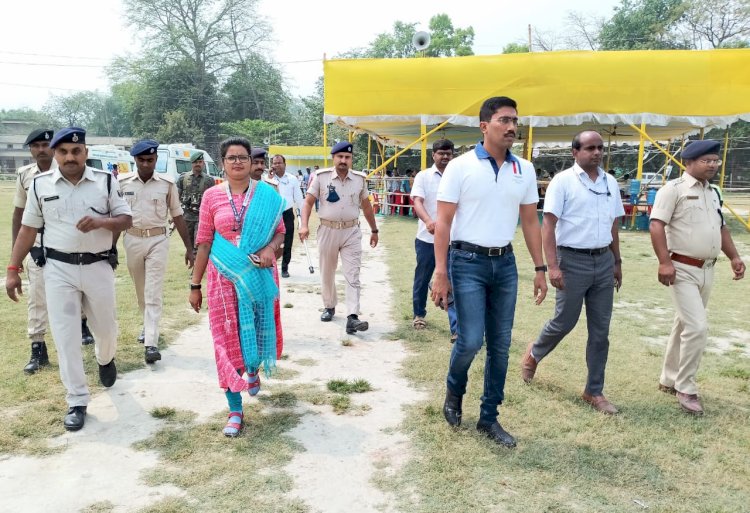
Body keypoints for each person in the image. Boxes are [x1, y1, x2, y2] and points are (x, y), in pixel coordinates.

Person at [431, 96, 547, 448]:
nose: (512, 127)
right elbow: (444, 222)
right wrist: (440, 272)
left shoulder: (523, 170)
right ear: (484, 126)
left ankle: (489, 417)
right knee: (469, 340)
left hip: (506, 264)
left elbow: (530, 222)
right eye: (504, 120)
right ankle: (454, 392)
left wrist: (540, 267)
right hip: (466, 263)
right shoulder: (461, 167)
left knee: (500, 344)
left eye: (515, 121)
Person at [6, 127, 132, 431]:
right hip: (58, 269)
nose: (70, 157)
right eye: (63, 152)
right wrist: (12, 269)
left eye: (76, 151)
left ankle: (106, 358)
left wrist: (102, 221)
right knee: (66, 337)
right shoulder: (39, 185)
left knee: (106, 329)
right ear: (54, 153)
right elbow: (28, 229)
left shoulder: (105, 181)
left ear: (85, 152)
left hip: (98, 266)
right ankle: (77, 399)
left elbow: (127, 219)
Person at [520, 131, 624, 414]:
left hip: (603, 260)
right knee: (564, 321)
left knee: (601, 331)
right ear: (575, 152)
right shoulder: (563, 181)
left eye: (600, 148)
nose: (597, 153)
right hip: (571, 260)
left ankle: (594, 391)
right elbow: (548, 226)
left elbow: (614, 225)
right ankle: (534, 353)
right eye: (590, 148)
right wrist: (552, 266)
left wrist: (617, 261)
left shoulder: (610, 182)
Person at [188, 136, 285, 437]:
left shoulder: (267, 195)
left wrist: (271, 251)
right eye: (231, 158)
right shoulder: (212, 197)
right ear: (223, 163)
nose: (238, 162)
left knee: (254, 330)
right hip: (222, 278)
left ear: (251, 160)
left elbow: (280, 235)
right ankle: (234, 408)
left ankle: (253, 368)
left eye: (243, 156)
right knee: (224, 339)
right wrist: (195, 285)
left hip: (257, 275)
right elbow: (203, 243)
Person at [649, 139, 745, 415]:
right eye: (707, 161)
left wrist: (735, 257)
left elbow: (722, 228)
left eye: (715, 160)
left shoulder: (713, 192)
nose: (713, 165)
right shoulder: (673, 190)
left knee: (684, 324)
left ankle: (668, 378)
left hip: (707, 269)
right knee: (698, 327)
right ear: (689, 163)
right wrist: (664, 262)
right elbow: (657, 225)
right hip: (681, 269)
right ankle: (686, 387)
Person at [116, 139, 195, 363]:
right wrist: (109, 248)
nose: (145, 164)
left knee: (153, 292)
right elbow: (116, 216)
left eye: (150, 160)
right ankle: (147, 325)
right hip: (132, 239)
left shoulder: (167, 184)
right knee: (141, 291)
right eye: (141, 160)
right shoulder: (122, 183)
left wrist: (189, 249)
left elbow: (178, 215)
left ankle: (151, 342)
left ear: (156, 160)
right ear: (135, 160)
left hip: (158, 240)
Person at [299, 141, 379, 334]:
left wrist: (374, 230)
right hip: (328, 230)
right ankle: (329, 305)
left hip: (351, 231)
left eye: (347, 157)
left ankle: (353, 316)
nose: (343, 160)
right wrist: (303, 225)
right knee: (327, 271)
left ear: (352, 159)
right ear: (333, 158)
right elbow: (308, 202)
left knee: (353, 273)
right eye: (340, 157)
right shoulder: (321, 177)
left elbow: (366, 206)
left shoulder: (359, 179)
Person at [410, 139, 457, 340]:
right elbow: (417, 201)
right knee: (423, 278)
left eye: (448, 153)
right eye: (441, 153)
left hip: (454, 240)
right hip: (426, 239)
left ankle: (456, 327)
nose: (445, 157)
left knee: (454, 281)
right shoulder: (423, 176)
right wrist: (429, 221)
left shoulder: (458, 176)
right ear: (433, 155)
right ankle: (419, 314)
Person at [271, 154, 304, 278]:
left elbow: (299, 199)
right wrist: (270, 178)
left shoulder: (292, 179)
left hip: (287, 213)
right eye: (274, 163)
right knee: (271, 241)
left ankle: (285, 267)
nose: (276, 165)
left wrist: (302, 217)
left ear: (285, 164)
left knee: (288, 241)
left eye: (279, 163)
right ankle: (271, 266)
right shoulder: (268, 178)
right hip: (273, 215)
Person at [177, 151, 215, 250]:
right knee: (188, 245)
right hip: (187, 217)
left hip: (202, 218)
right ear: (191, 163)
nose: (198, 164)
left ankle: (197, 262)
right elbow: (177, 197)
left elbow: (212, 200)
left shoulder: (209, 180)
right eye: (195, 162)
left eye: (200, 161)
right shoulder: (183, 178)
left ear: (203, 163)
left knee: (199, 244)